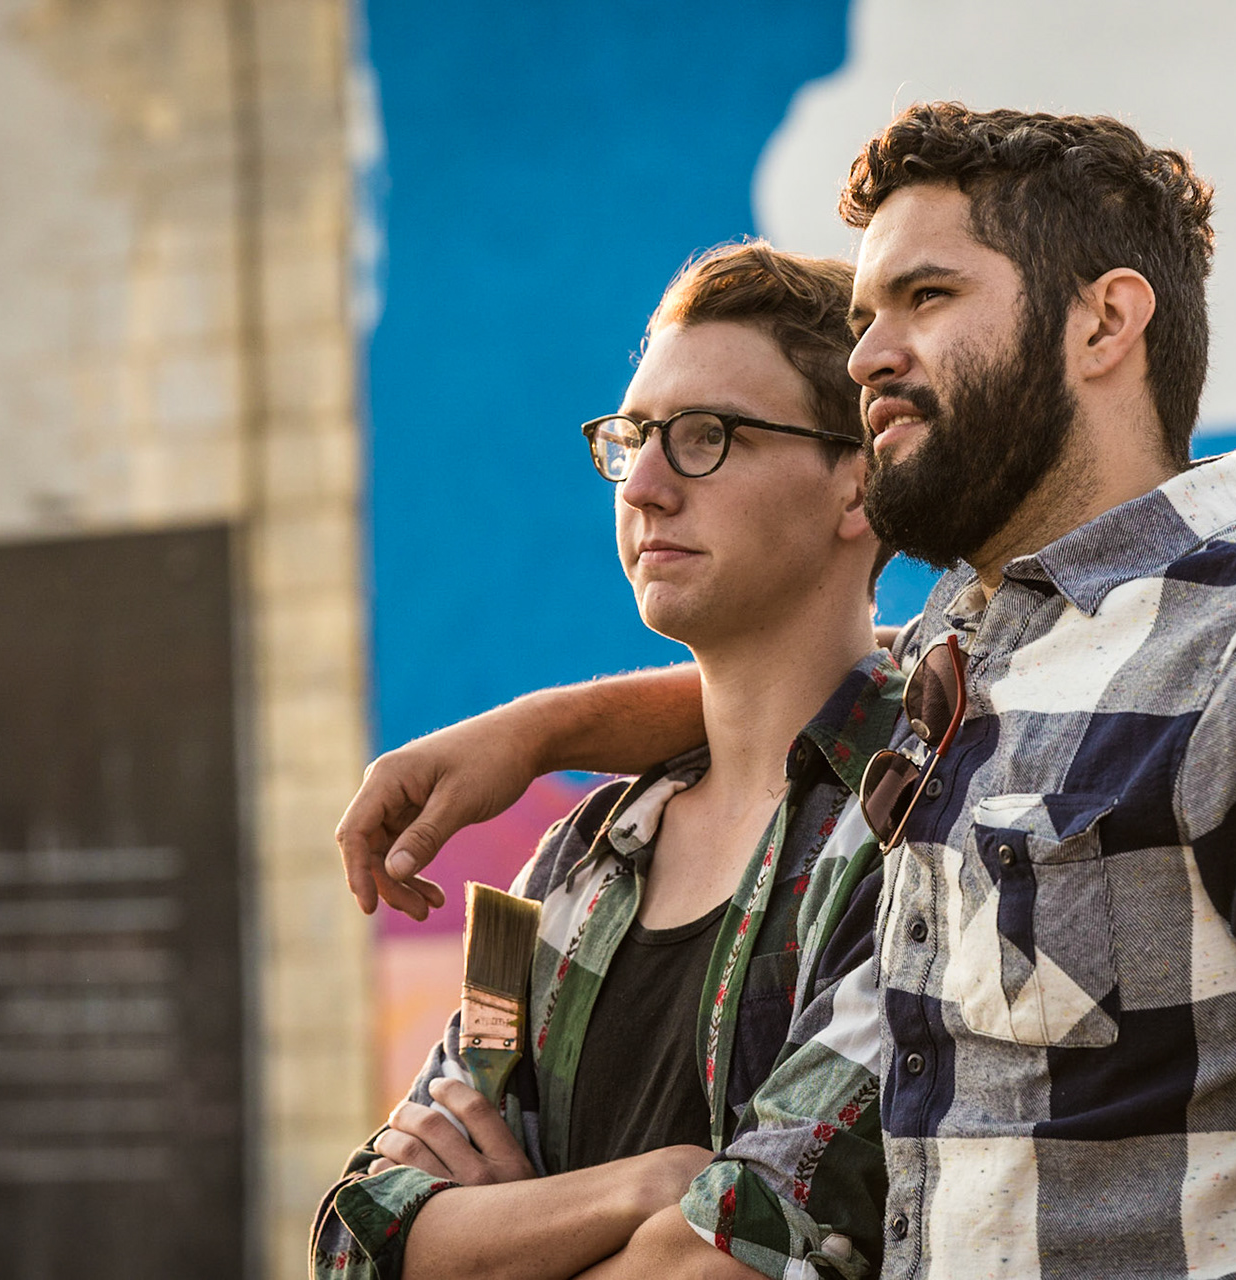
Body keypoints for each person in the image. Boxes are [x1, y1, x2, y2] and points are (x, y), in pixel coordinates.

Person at [339, 105, 1236, 1280]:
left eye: (926, 297)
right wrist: (537, 732)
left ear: (1106, 324)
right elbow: (783, 706)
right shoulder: (965, 678)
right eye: (864, 316)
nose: (868, 355)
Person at [314, 242, 904, 1280]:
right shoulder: (571, 863)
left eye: (707, 436)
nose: (643, 483)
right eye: (631, 439)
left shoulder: (917, 830)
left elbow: (763, 1240)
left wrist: (506, 1235)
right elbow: (357, 1234)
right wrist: (647, 1184)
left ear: (855, 486)